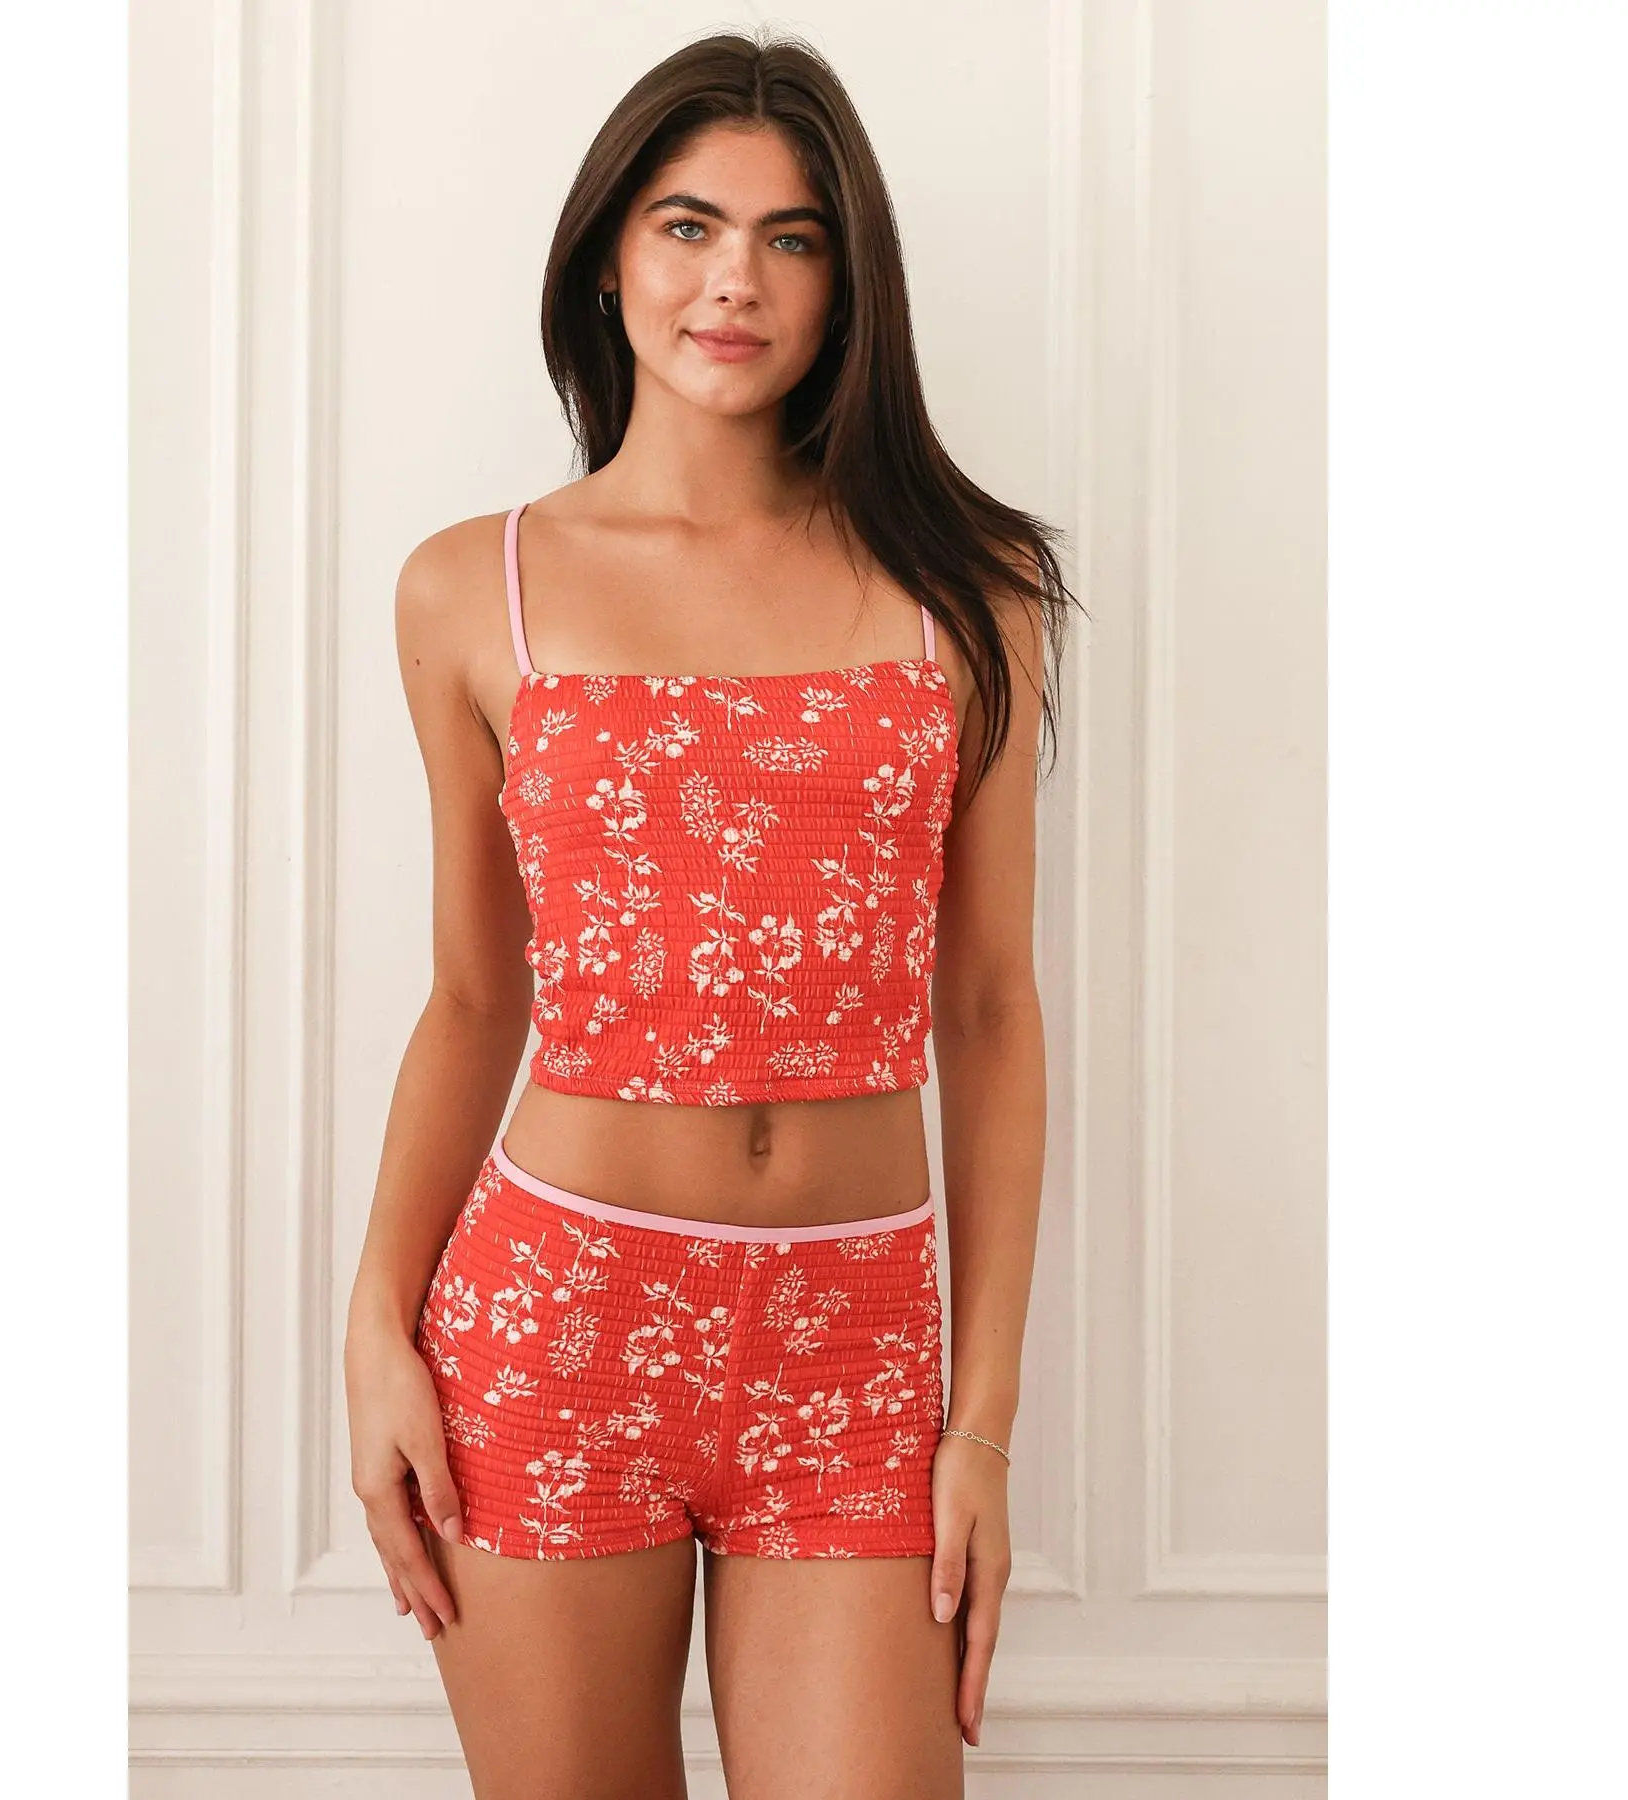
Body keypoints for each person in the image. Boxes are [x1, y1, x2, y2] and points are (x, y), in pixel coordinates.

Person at [344, 27, 1073, 1798]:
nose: (733, 279)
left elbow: (987, 1010)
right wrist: (373, 1322)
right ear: (609, 258)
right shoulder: (475, 590)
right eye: (687, 226)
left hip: (856, 1337)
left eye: (790, 237)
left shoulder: (969, 597)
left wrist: (981, 1424)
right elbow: (472, 999)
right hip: (557, 1320)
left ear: (847, 283)